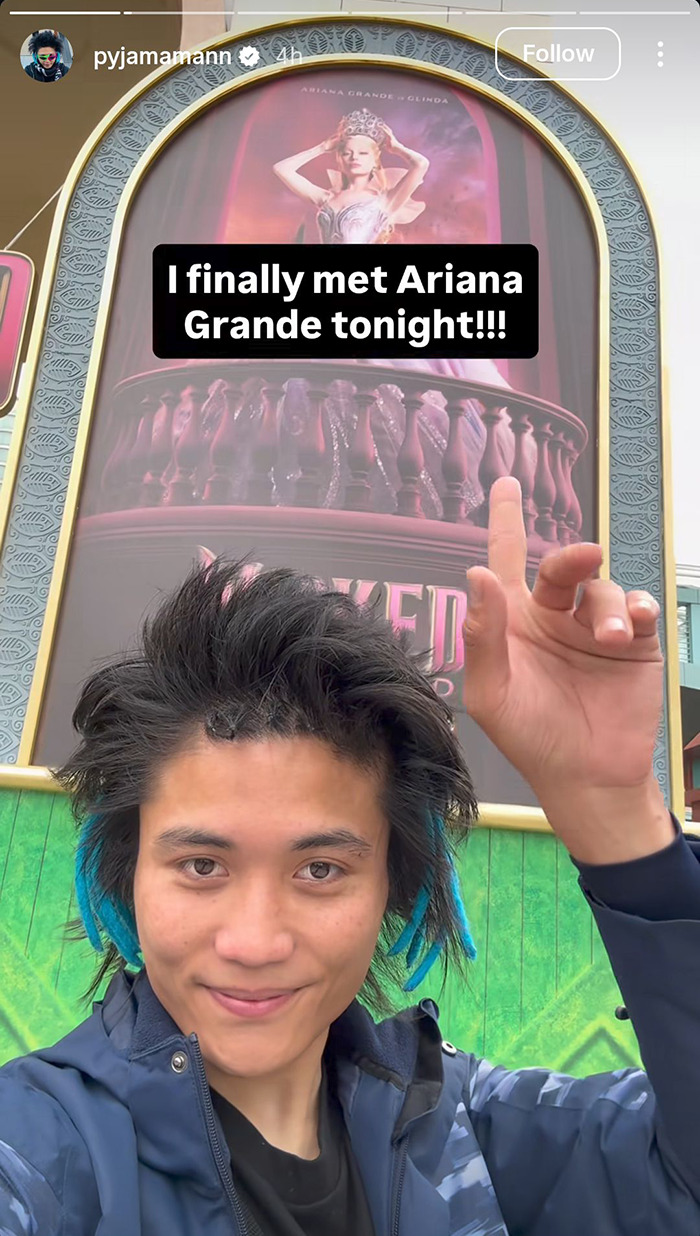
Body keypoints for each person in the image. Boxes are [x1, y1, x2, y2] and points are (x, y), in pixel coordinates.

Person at [2, 475, 699, 1235]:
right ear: (126, 875)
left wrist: (614, 815)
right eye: (202, 866)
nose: (255, 942)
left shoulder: (464, 1124)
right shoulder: (44, 1149)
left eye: (320, 870)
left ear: (393, 886)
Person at [272, 107, 429, 245]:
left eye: (363, 153)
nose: (354, 157)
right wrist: (321, 148)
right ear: (340, 160)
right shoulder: (326, 198)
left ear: (375, 161)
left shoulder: (385, 201)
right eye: (347, 153)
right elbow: (281, 169)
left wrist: (398, 148)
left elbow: (421, 164)